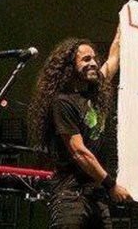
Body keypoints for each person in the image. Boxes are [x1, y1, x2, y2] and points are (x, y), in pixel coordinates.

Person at [27, 23, 130, 229]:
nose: (93, 63)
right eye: (86, 59)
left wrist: (125, 23)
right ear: (70, 66)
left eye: (94, 59)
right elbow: (79, 152)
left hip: (96, 194)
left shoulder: (95, 90)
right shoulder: (63, 102)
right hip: (71, 196)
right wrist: (111, 184)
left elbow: (113, 59)